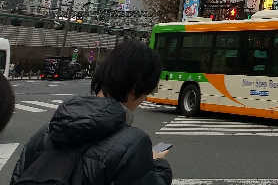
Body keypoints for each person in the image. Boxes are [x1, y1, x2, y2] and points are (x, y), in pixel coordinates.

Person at [11, 40, 172, 184]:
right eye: (148, 91)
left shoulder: (46, 131)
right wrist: (157, 164)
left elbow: (17, 178)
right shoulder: (133, 145)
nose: (144, 98)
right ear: (136, 88)